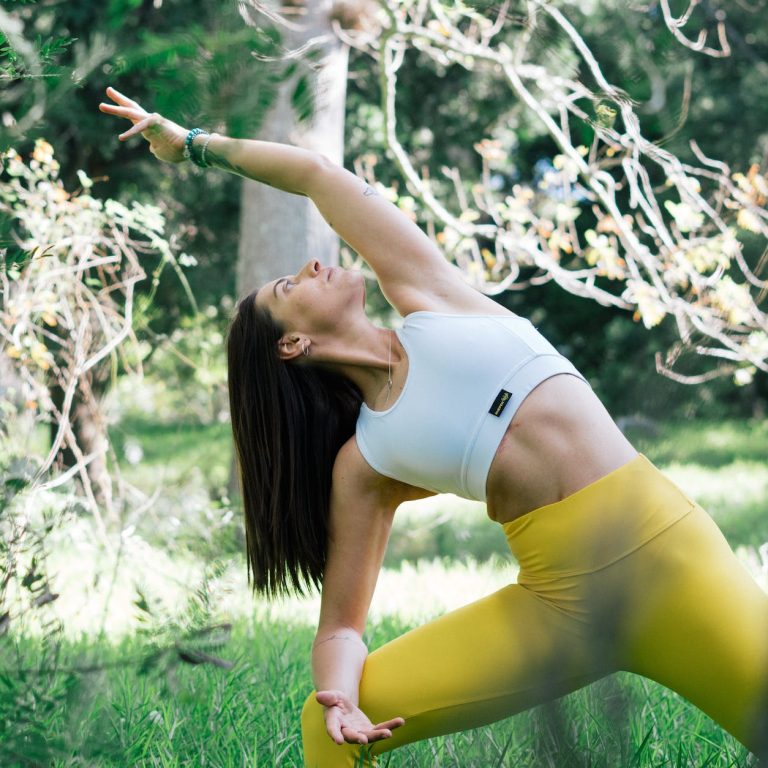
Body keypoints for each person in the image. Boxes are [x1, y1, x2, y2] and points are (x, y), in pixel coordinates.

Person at [101, 87, 768, 766]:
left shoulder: (432, 296)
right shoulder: (365, 461)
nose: (309, 265)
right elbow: (340, 629)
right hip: (560, 605)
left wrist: (189, 145)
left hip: (668, 559)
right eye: (287, 288)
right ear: (291, 346)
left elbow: (316, 175)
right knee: (320, 724)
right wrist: (338, 694)